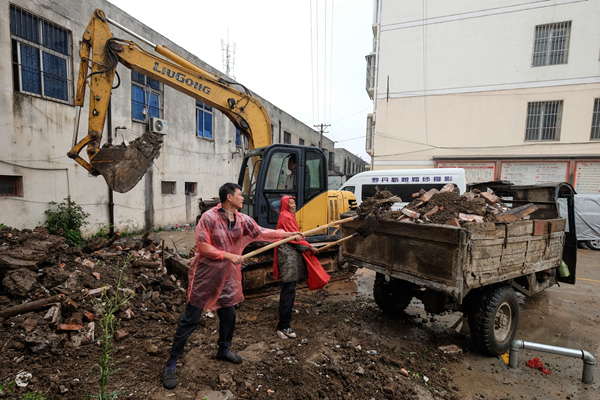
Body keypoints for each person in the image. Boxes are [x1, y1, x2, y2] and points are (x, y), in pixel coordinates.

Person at [163, 183, 302, 389]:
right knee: (191, 318)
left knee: (229, 315)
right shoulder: (209, 218)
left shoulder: (242, 219)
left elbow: (261, 232)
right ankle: (172, 361)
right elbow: (202, 245)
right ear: (229, 197)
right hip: (205, 276)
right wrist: (228, 255)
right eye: (240, 195)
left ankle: (224, 350)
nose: (243, 198)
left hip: (227, 277)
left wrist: (287, 235)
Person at [273, 195, 330, 339]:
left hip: (291, 255)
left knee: (290, 288)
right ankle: (283, 326)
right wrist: (310, 247)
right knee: (288, 289)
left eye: (294, 203)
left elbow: (297, 237)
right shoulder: (286, 216)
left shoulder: (289, 216)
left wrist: (307, 245)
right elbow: (295, 239)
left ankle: (287, 312)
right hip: (287, 257)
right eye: (291, 203)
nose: (294, 206)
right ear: (285, 204)